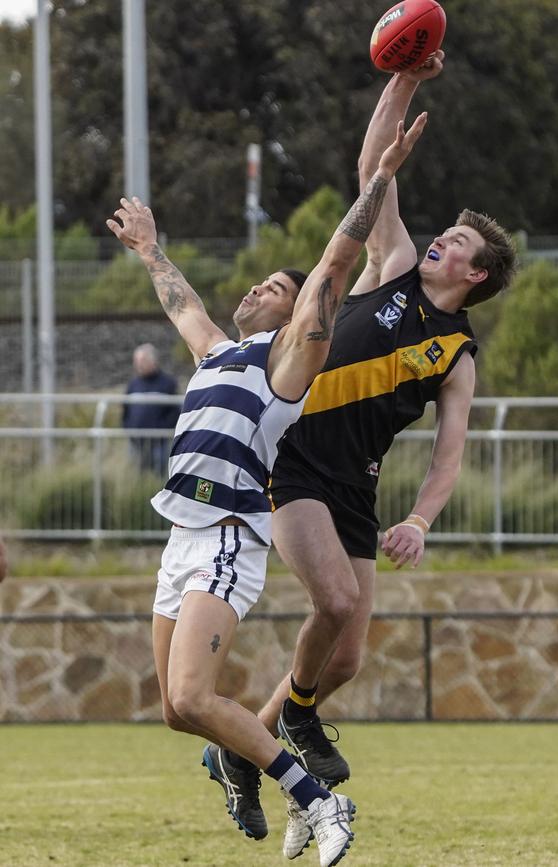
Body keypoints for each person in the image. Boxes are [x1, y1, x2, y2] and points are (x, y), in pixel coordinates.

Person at [106, 112, 427, 867]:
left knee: (192, 696)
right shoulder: (218, 351)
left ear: (295, 316)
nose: (260, 287)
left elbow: (335, 265)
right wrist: (151, 248)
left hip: (226, 537)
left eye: (275, 286)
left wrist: (380, 178)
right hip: (181, 536)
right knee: (178, 712)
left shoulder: (286, 365)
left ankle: (319, 799)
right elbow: (180, 303)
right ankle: (246, 762)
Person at [237, 50, 517, 854]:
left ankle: (242, 746)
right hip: (293, 456)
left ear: (479, 272)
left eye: (458, 241)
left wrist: (422, 520)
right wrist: (405, 80)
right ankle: (287, 723)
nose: (441, 240)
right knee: (332, 603)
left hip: (353, 484)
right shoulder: (392, 266)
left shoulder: (457, 353)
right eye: (445, 231)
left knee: (349, 653)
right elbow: (371, 169)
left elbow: (448, 456)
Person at [123, 343, 180, 474]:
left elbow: (175, 411)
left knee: (159, 478)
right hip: (136, 443)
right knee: (136, 477)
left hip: (159, 443)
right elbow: (125, 410)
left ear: (153, 361)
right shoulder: (133, 384)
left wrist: (162, 428)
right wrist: (128, 429)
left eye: (142, 360)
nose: (138, 364)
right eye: (136, 361)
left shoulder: (168, 383)